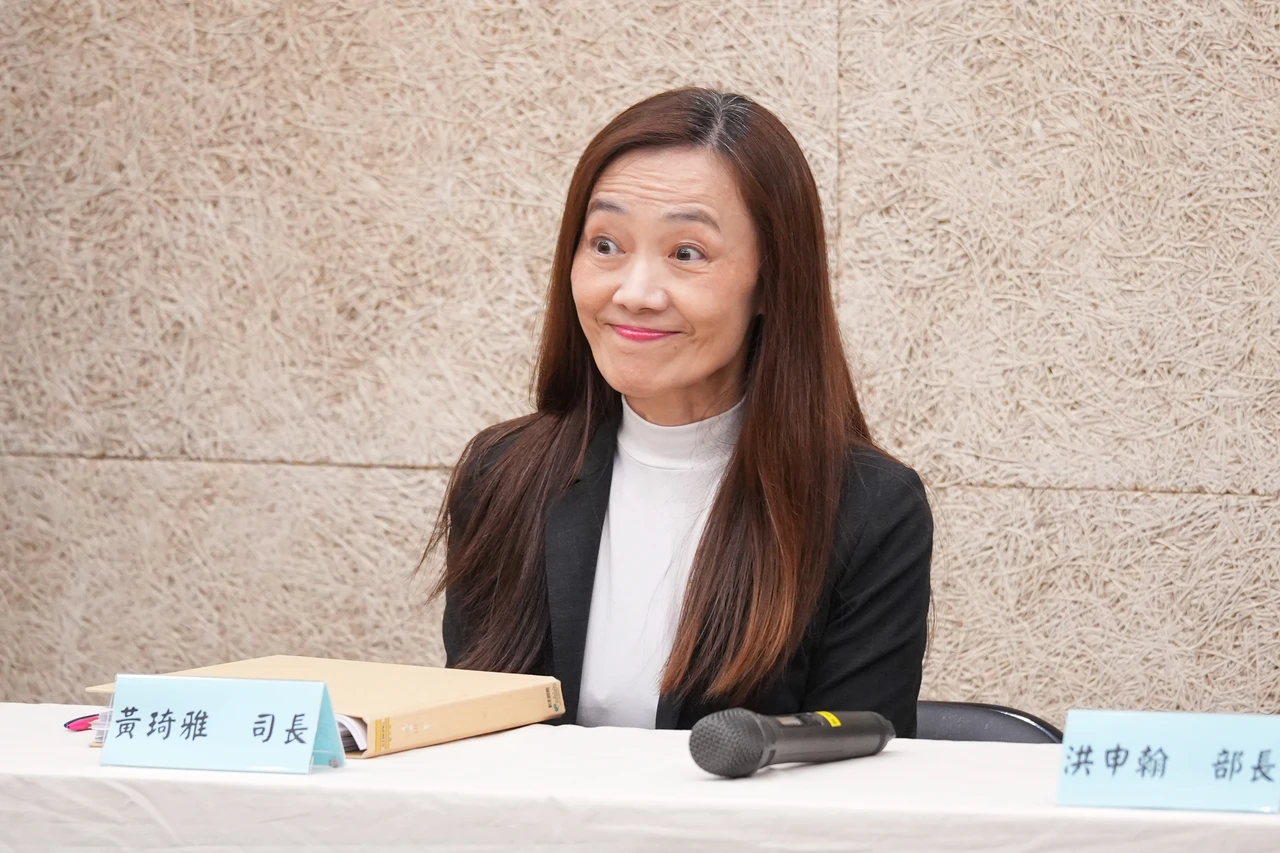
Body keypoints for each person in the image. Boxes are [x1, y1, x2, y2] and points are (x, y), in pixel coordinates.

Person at [425, 88, 932, 735]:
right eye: (605, 244)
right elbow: (472, 746)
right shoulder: (504, 475)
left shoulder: (867, 509)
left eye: (686, 253)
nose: (635, 293)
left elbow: (853, 770)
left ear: (771, 282)